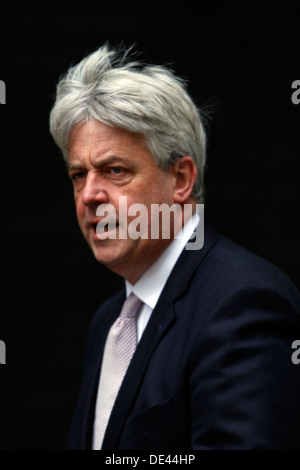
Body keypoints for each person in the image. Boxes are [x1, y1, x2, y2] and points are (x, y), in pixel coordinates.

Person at [49, 43, 300, 450]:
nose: (89, 194)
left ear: (181, 179)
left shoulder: (243, 304)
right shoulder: (109, 321)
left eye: (115, 170)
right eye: (79, 174)